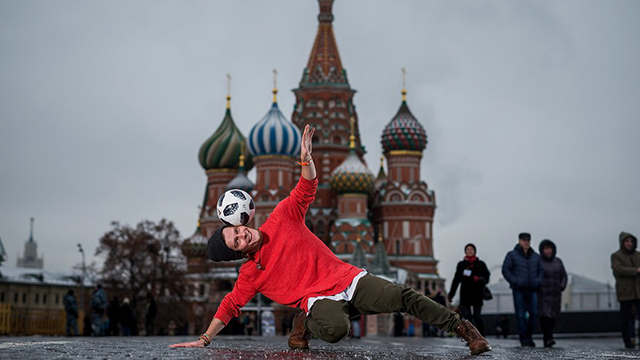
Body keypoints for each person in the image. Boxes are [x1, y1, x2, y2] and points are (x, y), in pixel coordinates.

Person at [170, 125, 491, 355]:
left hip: (349, 279)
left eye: (238, 229)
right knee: (337, 331)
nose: (242, 234)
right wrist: (205, 339)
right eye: (236, 241)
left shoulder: (281, 217)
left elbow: (305, 190)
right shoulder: (250, 275)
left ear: (244, 220)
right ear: (237, 253)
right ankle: (304, 323)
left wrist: (306, 162)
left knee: (404, 296)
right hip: (318, 301)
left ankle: (463, 329)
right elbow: (229, 306)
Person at [502, 232, 543, 347]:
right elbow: (505, 270)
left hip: (532, 289)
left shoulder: (535, 256)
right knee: (520, 315)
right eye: (524, 240)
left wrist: (537, 281)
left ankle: (528, 336)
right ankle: (524, 339)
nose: (526, 242)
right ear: (519, 241)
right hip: (518, 289)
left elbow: (541, 270)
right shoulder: (512, 255)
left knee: (534, 313)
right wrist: (515, 281)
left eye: (528, 240)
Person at [448, 243, 490, 336]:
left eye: (471, 249)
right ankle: (471, 337)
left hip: (477, 294)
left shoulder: (480, 264)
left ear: (475, 251)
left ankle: (481, 335)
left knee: (477, 316)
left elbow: (487, 277)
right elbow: (456, 280)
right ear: (465, 252)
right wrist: (451, 294)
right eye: (468, 249)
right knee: (467, 317)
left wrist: (480, 279)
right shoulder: (461, 265)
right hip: (465, 294)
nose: (470, 251)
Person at [611, 232, 640, 349]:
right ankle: (628, 342)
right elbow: (619, 270)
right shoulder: (616, 256)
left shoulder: (638, 255)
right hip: (625, 293)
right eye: (627, 241)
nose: (629, 244)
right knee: (626, 319)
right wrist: (636, 271)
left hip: (638, 292)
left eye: (631, 241)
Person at [537, 239, 567, 348]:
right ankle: (549, 337)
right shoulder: (538, 261)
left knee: (553, 317)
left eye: (550, 248)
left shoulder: (558, 261)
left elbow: (564, 275)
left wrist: (562, 285)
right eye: (546, 249)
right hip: (543, 294)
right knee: (545, 317)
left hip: (555, 294)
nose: (548, 251)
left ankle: (548, 339)